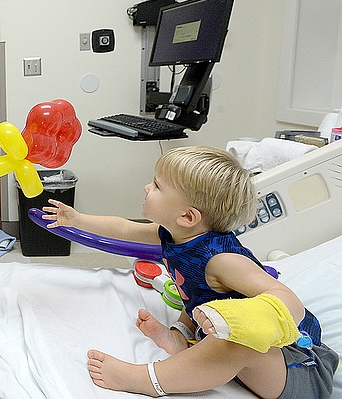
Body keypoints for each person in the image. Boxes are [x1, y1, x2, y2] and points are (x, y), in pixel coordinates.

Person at [42, 146, 338, 398]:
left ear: (187, 216)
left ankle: (143, 380)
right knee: (206, 310)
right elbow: (123, 228)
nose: (147, 187)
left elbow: (290, 302)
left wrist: (246, 322)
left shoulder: (222, 260)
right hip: (245, 349)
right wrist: (78, 219)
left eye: (157, 186)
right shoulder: (173, 234)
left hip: (299, 366)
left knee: (237, 341)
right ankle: (181, 338)